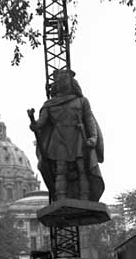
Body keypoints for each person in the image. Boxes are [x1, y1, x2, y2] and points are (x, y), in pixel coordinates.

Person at [28, 69, 104, 202]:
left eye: (65, 80)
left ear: (71, 82)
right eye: (60, 80)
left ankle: (85, 198)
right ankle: (61, 198)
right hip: (59, 140)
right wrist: (33, 121)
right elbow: (40, 124)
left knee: (82, 170)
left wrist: (93, 137)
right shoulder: (49, 105)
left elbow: (89, 120)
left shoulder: (81, 101)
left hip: (78, 137)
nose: (63, 82)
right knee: (60, 170)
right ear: (57, 84)